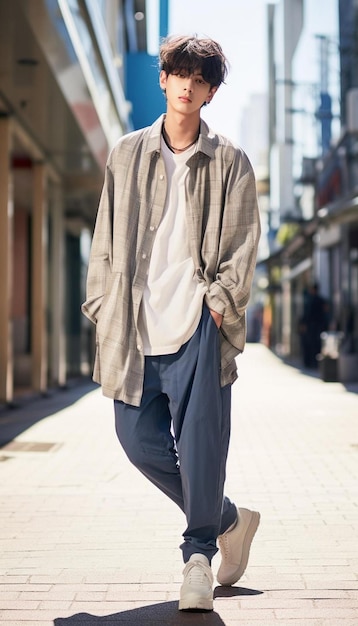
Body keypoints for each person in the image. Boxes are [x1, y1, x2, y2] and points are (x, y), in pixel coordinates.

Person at [82, 34, 261, 612]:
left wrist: (217, 303)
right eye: (179, 73)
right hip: (134, 330)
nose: (187, 84)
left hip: (198, 328)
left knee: (202, 448)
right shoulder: (126, 153)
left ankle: (198, 559)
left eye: (200, 78)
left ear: (210, 91)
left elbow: (240, 248)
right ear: (163, 79)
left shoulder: (230, 161)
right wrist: (100, 305)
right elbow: (105, 237)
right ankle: (228, 517)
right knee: (136, 442)